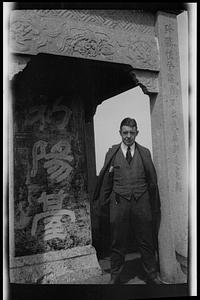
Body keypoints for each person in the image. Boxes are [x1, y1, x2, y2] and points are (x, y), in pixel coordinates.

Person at [92, 117, 162, 284]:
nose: (128, 136)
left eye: (132, 132)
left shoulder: (145, 152)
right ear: (120, 133)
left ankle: (152, 274)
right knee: (117, 241)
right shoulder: (112, 153)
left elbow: (152, 180)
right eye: (125, 133)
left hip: (141, 201)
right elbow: (107, 182)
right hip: (119, 202)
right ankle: (115, 276)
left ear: (137, 132)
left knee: (146, 240)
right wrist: (106, 204)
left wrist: (151, 204)